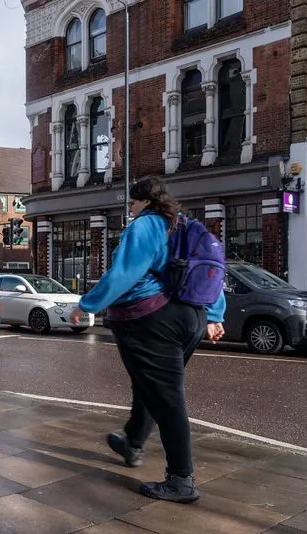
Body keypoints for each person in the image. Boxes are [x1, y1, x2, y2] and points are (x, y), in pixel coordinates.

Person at [70, 177, 225, 504]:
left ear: (145, 202)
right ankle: (133, 442)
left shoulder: (146, 226)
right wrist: (214, 315)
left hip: (150, 320)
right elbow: (211, 269)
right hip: (190, 318)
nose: (130, 208)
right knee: (150, 387)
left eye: (133, 202)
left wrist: (87, 305)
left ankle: (182, 480)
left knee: (167, 399)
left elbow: (124, 273)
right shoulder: (185, 225)